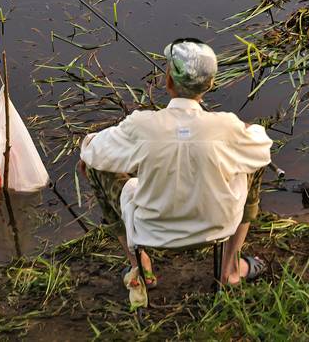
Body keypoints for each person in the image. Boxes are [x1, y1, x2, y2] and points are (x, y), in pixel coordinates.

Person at [80, 37, 272, 303]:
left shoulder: (141, 125)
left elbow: (91, 150)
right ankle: (230, 269)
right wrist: (243, 130)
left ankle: (141, 266)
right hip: (216, 227)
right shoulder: (227, 126)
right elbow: (262, 147)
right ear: (210, 84)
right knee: (254, 162)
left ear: (168, 81)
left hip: (149, 230)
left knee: (93, 166)